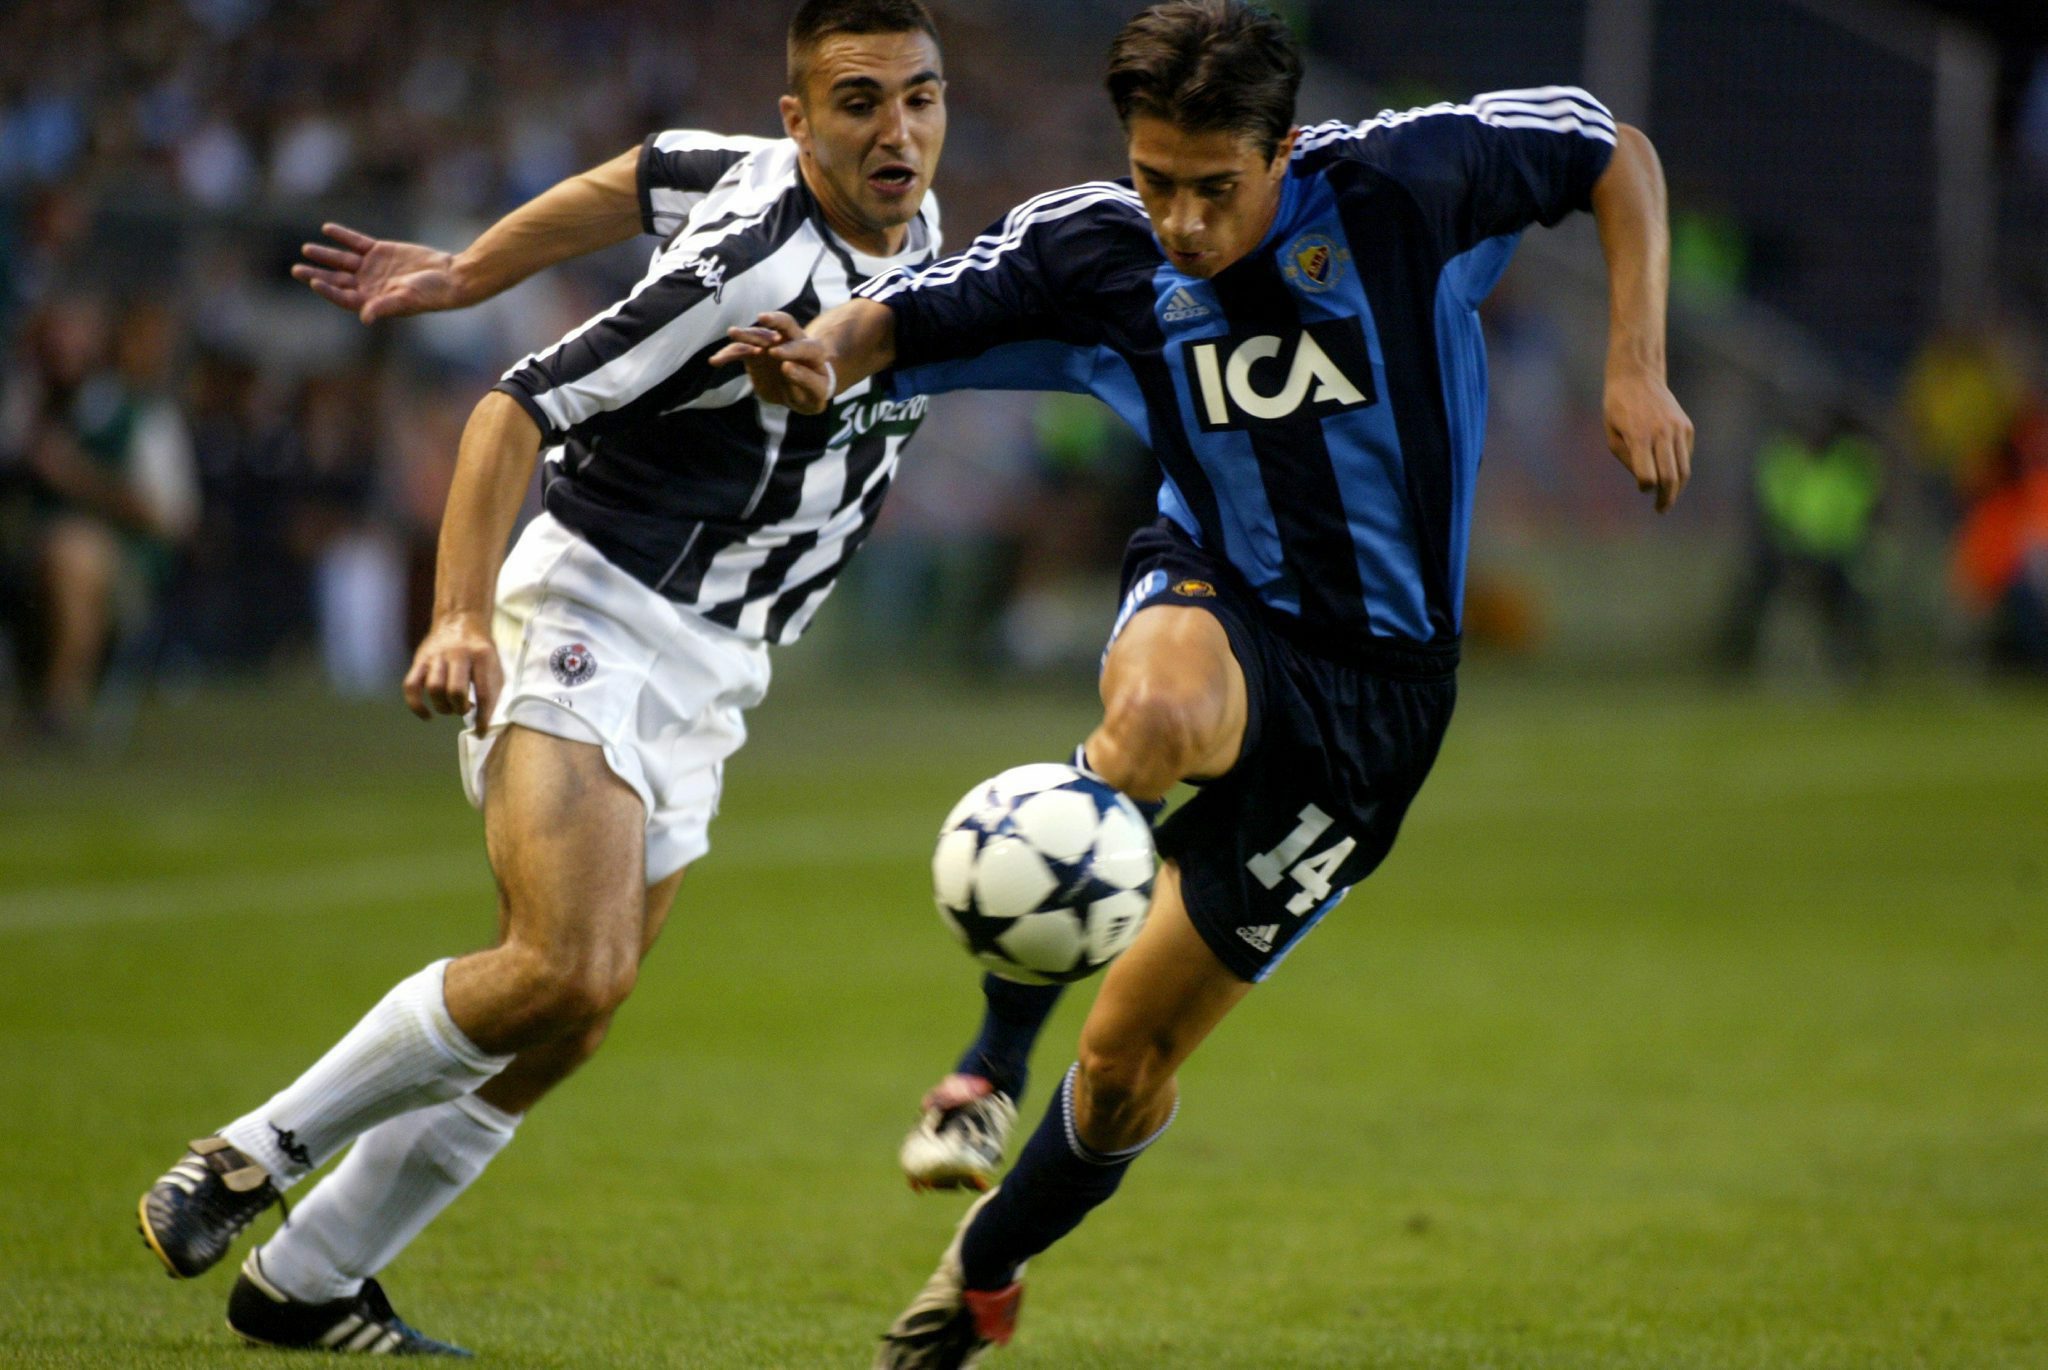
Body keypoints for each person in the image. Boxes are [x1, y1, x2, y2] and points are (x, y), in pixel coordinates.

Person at [715, 2, 1694, 1362]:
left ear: (1285, 147)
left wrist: (1634, 365)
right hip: (1219, 591)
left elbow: (1613, 150)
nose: (1177, 220)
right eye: (1153, 180)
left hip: (1378, 701)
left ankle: (983, 1269)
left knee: (1122, 1074)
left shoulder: (1404, 190)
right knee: (1154, 717)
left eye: (1213, 188)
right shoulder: (1098, 247)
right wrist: (830, 351)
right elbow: (911, 312)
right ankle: (989, 1063)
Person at [137, 0, 951, 1354]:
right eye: (861, 103)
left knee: (576, 1013)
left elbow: (631, 175)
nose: (900, 130)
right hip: (599, 604)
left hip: (719, 658)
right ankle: (247, 1155)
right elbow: (513, 405)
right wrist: (457, 615)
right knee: (561, 962)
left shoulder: (898, 219)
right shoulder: (743, 272)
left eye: (921, 97)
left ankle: (312, 1278)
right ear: (798, 119)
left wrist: (470, 264)